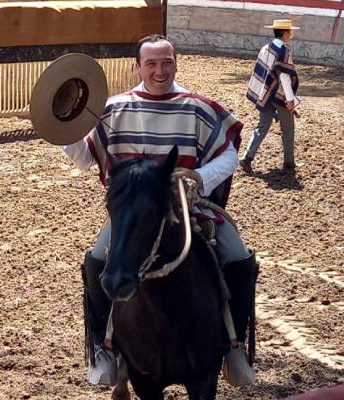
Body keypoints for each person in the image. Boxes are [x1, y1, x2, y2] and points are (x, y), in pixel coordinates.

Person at [63, 34, 257, 386]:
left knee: (240, 259)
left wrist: (199, 175)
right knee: (96, 262)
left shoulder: (198, 107)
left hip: (190, 209)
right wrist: (63, 126)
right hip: (134, 217)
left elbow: (229, 155)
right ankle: (104, 350)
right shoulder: (114, 108)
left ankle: (234, 347)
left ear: (175, 63)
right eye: (151, 63)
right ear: (138, 67)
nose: (159, 70)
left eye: (166, 62)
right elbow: (83, 159)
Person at [241, 19, 301, 173]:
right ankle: (289, 162)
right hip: (279, 97)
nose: (291, 34)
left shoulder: (265, 48)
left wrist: (263, 93)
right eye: (290, 32)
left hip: (265, 95)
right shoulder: (284, 52)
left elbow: (260, 72)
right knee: (288, 129)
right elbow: (285, 78)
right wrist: (290, 100)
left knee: (262, 127)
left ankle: (247, 158)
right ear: (286, 33)